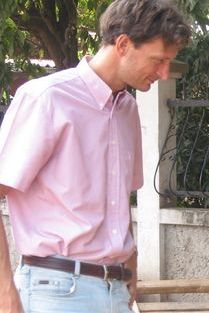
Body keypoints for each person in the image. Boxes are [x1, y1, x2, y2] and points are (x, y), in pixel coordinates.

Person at [0, 0, 191, 312]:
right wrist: (4, 293)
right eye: (158, 60)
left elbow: (119, 197)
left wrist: (131, 260)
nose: (165, 72)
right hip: (57, 289)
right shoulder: (46, 99)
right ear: (123, 44)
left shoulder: (128, 109)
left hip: (115, 289)